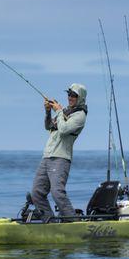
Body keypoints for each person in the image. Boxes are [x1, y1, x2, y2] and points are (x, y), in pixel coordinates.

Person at [30, 83, 87, 222]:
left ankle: (74, 223)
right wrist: (48, 111)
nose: (70, 97)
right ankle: (50, 222)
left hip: (61, 158)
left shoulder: (80, 116)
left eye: (73, 95)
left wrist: (59, 111)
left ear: (80, 98)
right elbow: (48, 126)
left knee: (57, 193)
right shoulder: (65, 111)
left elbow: (63, 129)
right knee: (37, 193)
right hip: (47, 157)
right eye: (69, 94)